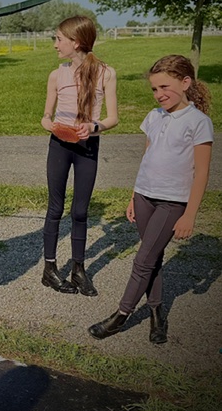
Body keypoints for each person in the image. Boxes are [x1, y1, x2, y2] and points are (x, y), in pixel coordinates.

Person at [89, 54, 214, 343]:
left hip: (172, 202)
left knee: (143, 260)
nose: (159, 94)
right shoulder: (154, 116)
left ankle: (120, 316)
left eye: (165, 87)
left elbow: (202, 173)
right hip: (145, 197)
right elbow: (147, 159)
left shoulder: (199, 122)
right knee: (152, 256)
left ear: (185, 83)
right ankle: (157, 313)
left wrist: (189, 214)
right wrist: (134, 196)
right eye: (155, 89)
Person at [40, 16, 118, 296]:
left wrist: (94, 127)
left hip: (88, 147)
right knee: (55, 208)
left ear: (75, 42)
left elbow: (113, 118)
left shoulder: (106, 73)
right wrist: (47, 121)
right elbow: (46, 113)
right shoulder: (56, 75)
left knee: (81, 211)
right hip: (59, 146)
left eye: (59, 39)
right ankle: (49, 269)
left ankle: (78, 270)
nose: (55, 44)